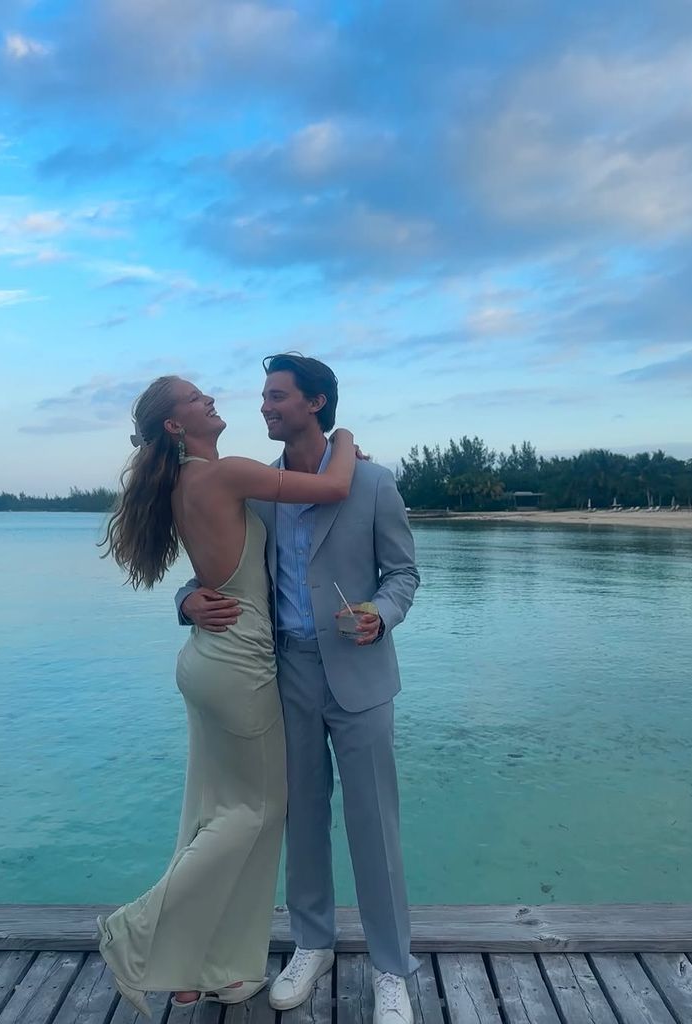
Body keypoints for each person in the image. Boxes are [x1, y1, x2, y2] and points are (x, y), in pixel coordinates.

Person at [98, 374, 358, 1018]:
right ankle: (137, 932)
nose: (209, 398)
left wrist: (187, 598)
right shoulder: (224, 475)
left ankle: (200, 968)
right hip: (239, 667)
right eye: (194, 398)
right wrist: (345, 434)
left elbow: (216, 567)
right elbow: (334, 485)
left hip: (208, 663)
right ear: (176, 427)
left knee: (212, 812)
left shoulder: (193, 482)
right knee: (257, 811)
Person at [177, 354, 420, 1024]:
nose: (263, 406)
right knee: (302, 821)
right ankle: (310, 944)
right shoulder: (256, 492)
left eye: (276, 396)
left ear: (314, 403)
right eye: (262, 396)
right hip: (282, 676)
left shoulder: (371, 482)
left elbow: (403, 575)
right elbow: (216, 570)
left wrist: (380, 613)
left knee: (374, 826)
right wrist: (187, 600)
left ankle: (392, 969)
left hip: (362, 677)